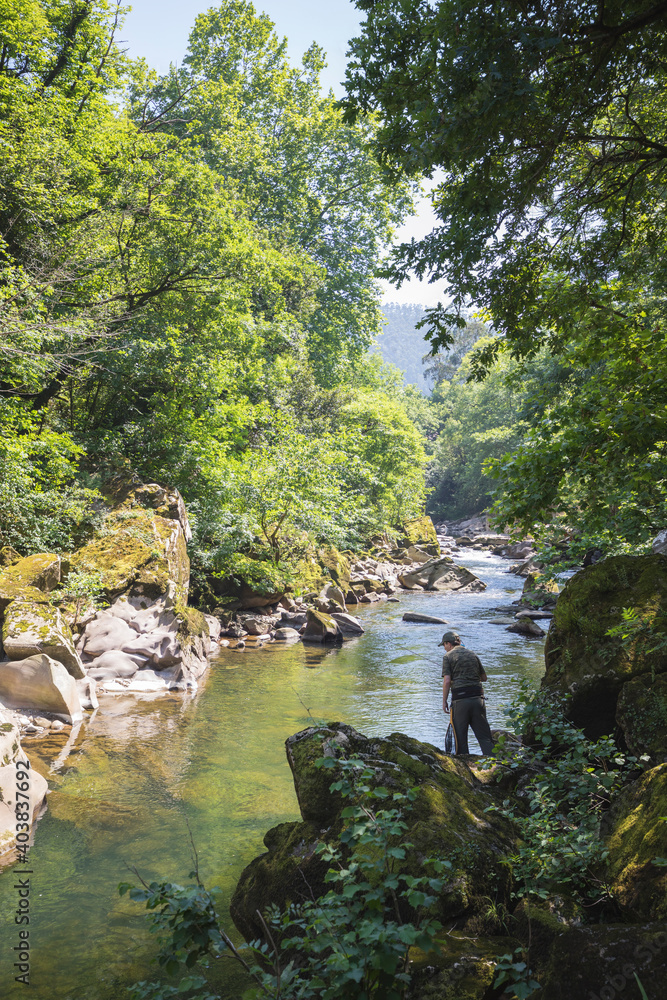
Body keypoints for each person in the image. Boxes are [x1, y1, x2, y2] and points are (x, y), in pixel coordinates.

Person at [439, 630, 495, 755]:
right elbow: (484, 678)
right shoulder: (472, 654)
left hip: (460, 701)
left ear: (448, 643)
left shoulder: (448, 657)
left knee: (460, 740)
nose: (444, 648)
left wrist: (444, 701)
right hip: (478, 699)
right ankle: (496, 765)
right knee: (485, 737)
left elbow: (447, 681)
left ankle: (465, 769)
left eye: (444, 645)